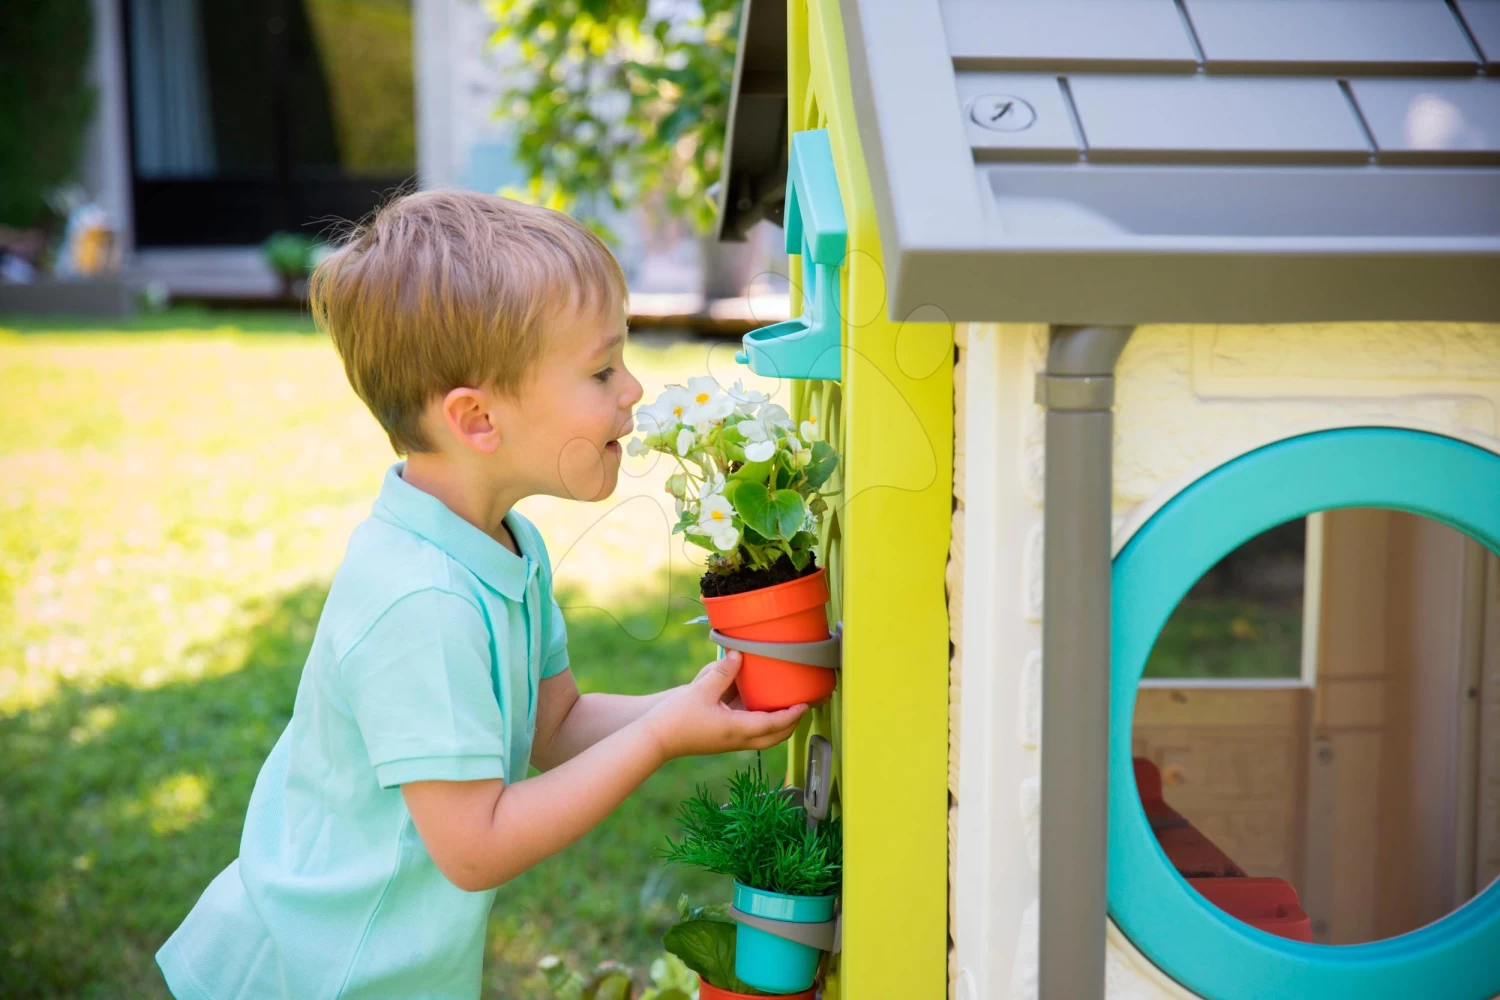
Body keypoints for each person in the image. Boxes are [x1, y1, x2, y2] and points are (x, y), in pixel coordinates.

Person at [156, 190, 807, 999]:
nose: (633, 389)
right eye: (602, 369)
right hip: (317, 973)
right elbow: (475, 848)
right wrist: (658, 740)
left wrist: (697, 703)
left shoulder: (502, 544)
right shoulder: (420, 602)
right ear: (477, 420)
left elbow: (555, 726)